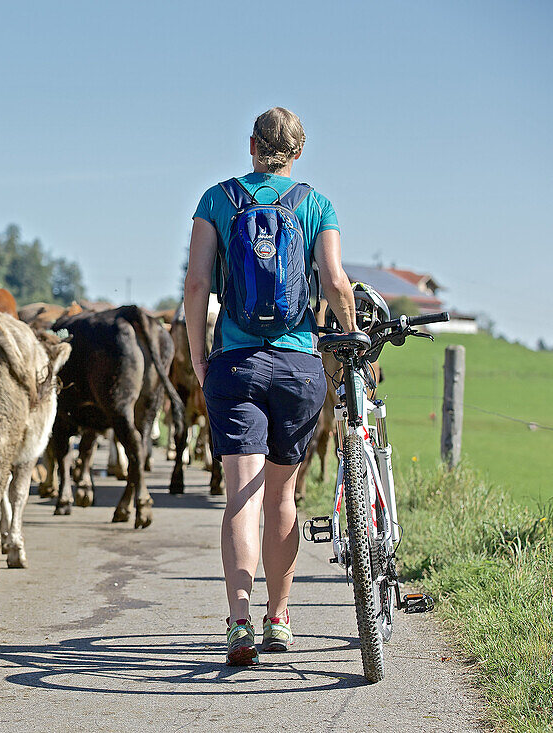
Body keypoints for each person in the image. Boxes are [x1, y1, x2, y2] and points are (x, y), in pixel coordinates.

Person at [182, 107, 360, 666]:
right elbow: (333, 282)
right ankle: (278, 620)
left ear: (252, 144)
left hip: (234, 363)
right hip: (298, 365)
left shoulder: (217, 199)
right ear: (298, 152)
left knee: (242, 496)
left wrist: (198, 356)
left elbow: (196, 284)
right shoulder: (316, 203)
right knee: (282, 495)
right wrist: (350, 336)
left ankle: (238, 624)